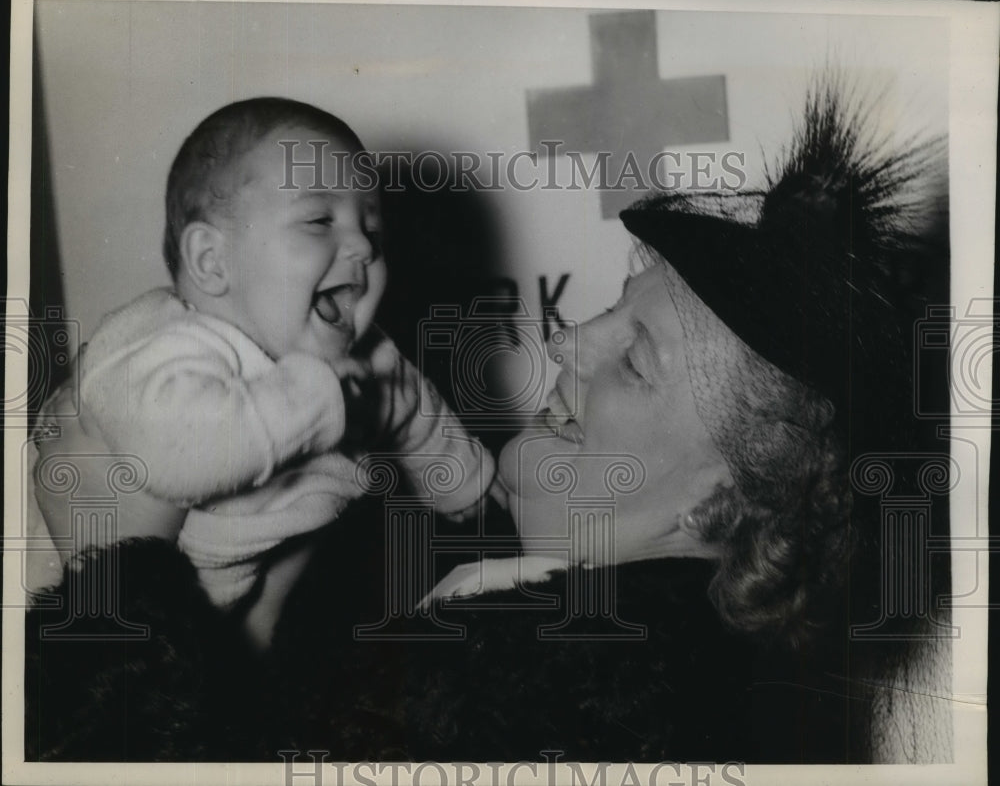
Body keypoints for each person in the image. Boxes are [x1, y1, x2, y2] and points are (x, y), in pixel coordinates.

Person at [26, 81, 949, 762]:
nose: (569, 337)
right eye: (609, 307)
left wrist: (113, 582)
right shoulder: (498, 605)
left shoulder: (604, 714)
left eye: (634, 358)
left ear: (719, 497)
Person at [31, 97, 495, 648]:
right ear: (212, 260)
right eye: (320, 219)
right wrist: (317, 402)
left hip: (226, 604)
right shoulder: (162, 343)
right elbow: (173, 455)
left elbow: (414, 409)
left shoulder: (364, 358)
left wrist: (462, 482)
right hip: (56, 607)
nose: (363, 245)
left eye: (372, 225)